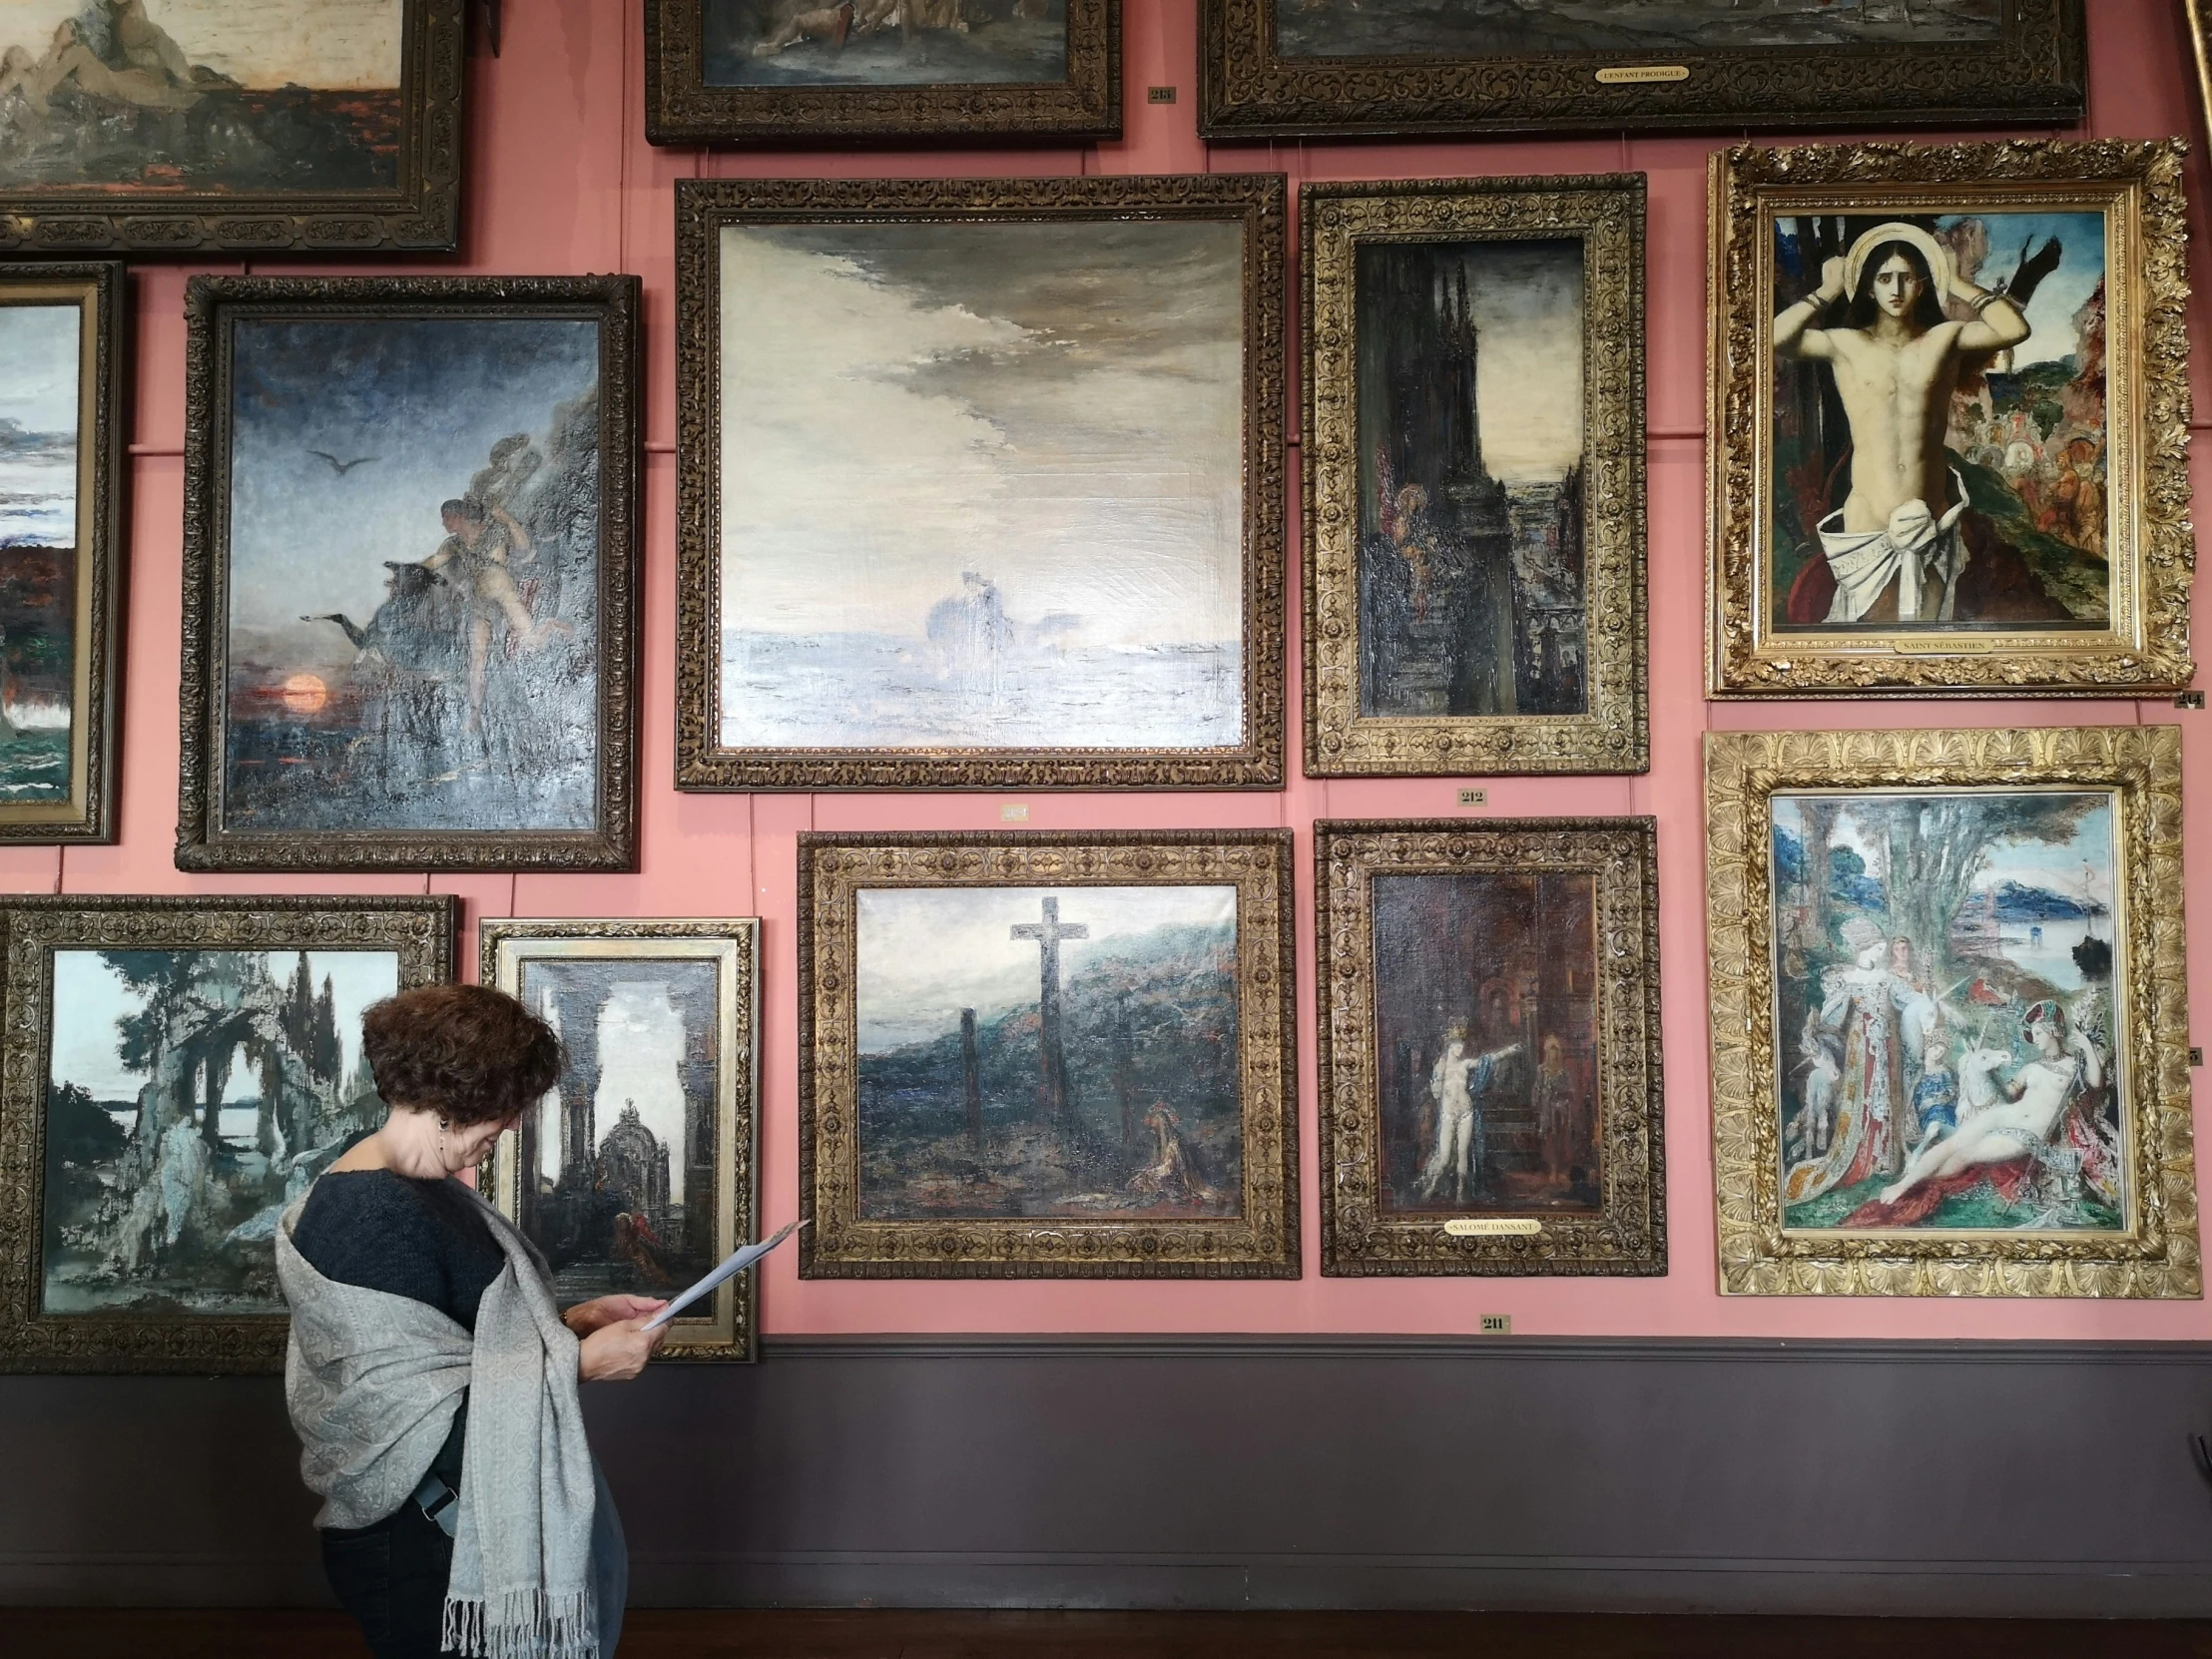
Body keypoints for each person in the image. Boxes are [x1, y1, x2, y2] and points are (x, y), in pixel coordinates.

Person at [278, 985, 666, 1659]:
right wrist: (582, 1363)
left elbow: (454, 1347)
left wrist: (571, 1323)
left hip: (446, 1531)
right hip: (423, 1543)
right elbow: (413, 1413)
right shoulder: (370, 1214)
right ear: (459, 1093)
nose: (512, 1125)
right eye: (505, 1103)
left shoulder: (417, 1192)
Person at [1775, 222, 2069, 625]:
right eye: (1884, 278)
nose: (1895, 290)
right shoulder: (1845, 343)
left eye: (1907, 278)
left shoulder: (1944, 339)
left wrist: (1957, 283)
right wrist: (1827, 290)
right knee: (1864, 642)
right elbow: (1775, 338)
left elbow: (2014, 329)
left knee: (1925, 638)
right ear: (1867, 287)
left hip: (1929, 513)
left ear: (1921, 285)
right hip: (1867, 518)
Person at [421, 496, 572, 736]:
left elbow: (524, 547)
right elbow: (435, 561)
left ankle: (551, 626)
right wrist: (411, 572)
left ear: (458, 516)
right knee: (477, 661)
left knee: (531, 643)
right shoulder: (454, 544)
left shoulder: (495, 531)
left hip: (504, 595)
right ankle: (474, 716)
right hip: (480, 604)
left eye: (446, 518)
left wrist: (506, 518)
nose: (443, 524)